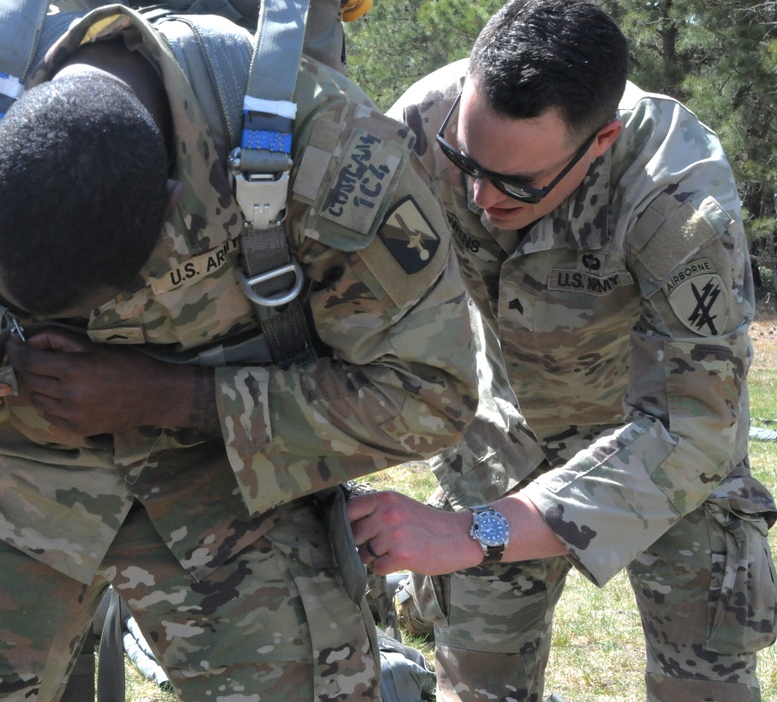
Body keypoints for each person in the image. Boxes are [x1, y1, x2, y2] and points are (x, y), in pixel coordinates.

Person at [0, 3, 486, 701]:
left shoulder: (325, 145)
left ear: (173, 201)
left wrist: (172, 396)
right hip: (7, 468)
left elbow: (429, 391)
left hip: (235, 479)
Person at [347, 0, 777, 700]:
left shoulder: (676, 198)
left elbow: (693, 428)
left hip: (663, 446)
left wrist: (476, 532)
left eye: (519, 184)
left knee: (705, 684)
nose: (482, 195)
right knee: (478, 681)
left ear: (600, 142)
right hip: (506, 431)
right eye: (468, 162)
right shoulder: (422, 126)